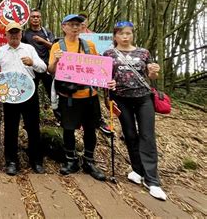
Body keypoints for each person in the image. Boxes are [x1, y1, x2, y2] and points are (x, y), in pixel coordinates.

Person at [103, 21, 166, 200]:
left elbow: (151, 75)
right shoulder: (108, 54)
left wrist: (154, 72)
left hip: (143, 99)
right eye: (121, 33)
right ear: (115, 36)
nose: (125, 37)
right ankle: (137, 170)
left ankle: (152, 180)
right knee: (130, 134)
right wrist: (109, 83)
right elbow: (104, 77)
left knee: (147, 135)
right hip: (120, 99)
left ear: (132, 35)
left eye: (128, 33)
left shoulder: (143, 53)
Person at [48, 14, 115, 181]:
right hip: (68, 96)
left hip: (89, 95)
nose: (75, 27)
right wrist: (56, 61)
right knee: (68, 128)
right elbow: (50, 71)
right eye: (71, 24)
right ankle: (71, 160)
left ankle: (89, 161)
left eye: (78, 24)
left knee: (90, 129)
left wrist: (109, 81)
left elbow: (100, 68)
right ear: (63, 26)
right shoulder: (57, 46)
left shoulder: (89, 45)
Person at [0, 22, 47, 176]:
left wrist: (32, 62)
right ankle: (11, 161)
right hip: (9, 96)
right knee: (10, 128)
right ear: (6, 35)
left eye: (17, 33)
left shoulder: (29, 49)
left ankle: (36, 160)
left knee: (33, 127)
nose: (14, 36)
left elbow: (43, 67)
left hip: (29, 93)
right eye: (11, 33)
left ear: (21, 34)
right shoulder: (1, 51)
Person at [78, 11, 112, 136]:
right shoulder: (71, 36)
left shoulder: (94, 36)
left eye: (84, 21)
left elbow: (104, 53)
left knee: (92, 95)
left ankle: (97, 120)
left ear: (87, 22)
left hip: (93, 71)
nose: (82, 24)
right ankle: (79, 120)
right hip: (77, 71)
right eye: (80, 21)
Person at [21, 8, 55, 105]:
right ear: (29, 19)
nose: (35, 19)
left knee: (51, 92)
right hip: (32, 67)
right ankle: (34, 117)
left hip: (46, 66)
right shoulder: (25, 33)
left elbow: (54, 46)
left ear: (40, 19)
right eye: (33, 17)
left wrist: (42, 41)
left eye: (38, 17)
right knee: (31, 92)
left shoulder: (46, 32)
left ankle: (59, 116)